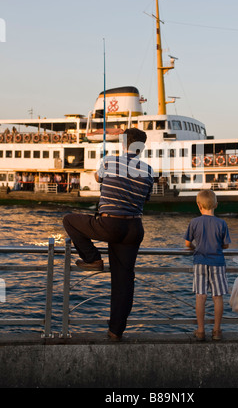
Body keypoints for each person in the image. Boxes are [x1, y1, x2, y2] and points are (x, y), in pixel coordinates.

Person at [63, 128, 154, 341]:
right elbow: (146, 199)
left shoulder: (109, 161)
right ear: (142, 147)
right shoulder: (149, 171)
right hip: (134, 229)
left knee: (69, 220)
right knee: (124, 281)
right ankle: (116, 331)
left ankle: (93, 259)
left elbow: (97, 177)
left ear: (123, 143)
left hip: (110, 223)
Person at [184, 189, 231, 341]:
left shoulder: (194, 222)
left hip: (199, 262)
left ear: (199, 205)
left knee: (200, 296)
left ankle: (201, 330)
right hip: (217, 262)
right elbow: (226, 246)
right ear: (216, 205)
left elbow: (187, 244)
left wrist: (195, 249)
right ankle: (217, 330)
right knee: (217, 297)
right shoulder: (222, 223)